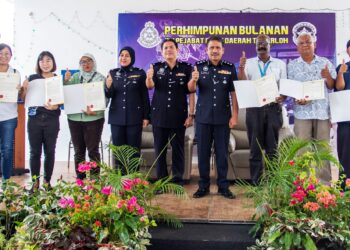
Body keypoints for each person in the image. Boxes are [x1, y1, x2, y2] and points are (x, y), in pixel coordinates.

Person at [188, 36, 238, 199]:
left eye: (218, 48)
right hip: (203, 118)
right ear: (206, 50)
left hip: (223, 119)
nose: (215, 51)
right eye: (211, 48)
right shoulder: (199, 67)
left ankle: (223, 186)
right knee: (202, 153)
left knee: (222, 153)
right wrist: (193, 80)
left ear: (223, 50)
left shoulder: (230, 68)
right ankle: (203, 186)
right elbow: (191, 89)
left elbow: (234, 94)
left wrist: (235, 115)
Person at [238, 34, 286, 185]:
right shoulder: (249, 63)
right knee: (255, 149)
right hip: (254, 110)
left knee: (273, 149)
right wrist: (241, 67)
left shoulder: (280, 63)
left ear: (270, 45)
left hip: (273, 109)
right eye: (259, 43)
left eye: (264, 43)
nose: (261, 45)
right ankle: (256, 183)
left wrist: (282, 96)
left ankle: (273, 183)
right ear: (255, 46)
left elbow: (284, 86)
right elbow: (242, 83)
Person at [288, 33, 336, 184]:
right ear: (297, 47)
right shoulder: (292, 65)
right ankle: (302, 186)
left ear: (314, 44)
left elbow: (332, 86)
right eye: (301, 43)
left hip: (322, 113)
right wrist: (296, 98)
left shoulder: (325, 62)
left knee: (323, 150)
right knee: (302, 151)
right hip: (302, 114)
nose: (305, 45)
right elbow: (290, 89)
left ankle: (325, 185)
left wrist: (327, 76)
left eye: (308, 42)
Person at [146, 38, 195, 186]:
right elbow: (150, 87)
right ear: (162, 52)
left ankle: (177, 180)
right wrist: (148, 77)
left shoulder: (186, 68)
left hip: (178, 116)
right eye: (166, 48)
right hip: (159, 115)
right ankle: (161, 181)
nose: (169, 50)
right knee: (159, 150)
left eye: (171, 47)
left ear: (177, 50)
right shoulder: (156, 67)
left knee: (178, 150)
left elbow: (191, 91)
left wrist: (191, 114)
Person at [105, 47, 150, 173]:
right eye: (121, 55)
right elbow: (108, 95)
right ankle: (120, 179)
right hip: (116, 118)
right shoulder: (112, 73)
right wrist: (108, 86)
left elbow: (144, 96)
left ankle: (134, 179)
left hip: (134, 118)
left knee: (134, 150)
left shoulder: (140, 73)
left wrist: (146, 116)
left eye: (127, 55)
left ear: (132, 58)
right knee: (118, 151)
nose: (123, 58)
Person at [22, 51, 61, 190]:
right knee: (34, 152)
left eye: (48, 60)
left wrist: (56, 105)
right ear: (38, 63)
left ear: (53, 62)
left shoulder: (57, 79)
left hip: (52, 120)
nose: (45, 64)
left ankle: (47, 182)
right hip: (34, 120)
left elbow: (61, 103)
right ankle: (35, 183)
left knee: (50, 151)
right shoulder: (32, 78)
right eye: (42, 61)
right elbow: (23, 98)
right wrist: (24, 88)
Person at [64, 53, 106, 179]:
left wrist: (97, 111)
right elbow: (67, 95)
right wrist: (66, 81)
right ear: (80, 64)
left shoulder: (101, 78)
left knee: (93, 151)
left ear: (94, 62)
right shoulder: (75, 77)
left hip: (94, 119)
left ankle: (94, 179)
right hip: (75, 119)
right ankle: (80, 179)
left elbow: (106, 98)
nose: (86, 64)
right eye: (83, 62)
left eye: (89, 61)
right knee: (78, 152)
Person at [0, 43, 20, 182]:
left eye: (7, 53)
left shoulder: (15, 73)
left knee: (7, 150)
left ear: (11, 56)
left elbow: (18, 96)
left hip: (9, 117)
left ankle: (6, 182)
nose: (3, 56)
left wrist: (21, 89)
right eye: (1, 53)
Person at [335, 40, 350, 188]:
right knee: (345, 153)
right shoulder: (342, 67)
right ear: (347, 50)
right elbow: (339, 88)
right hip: (346, 118)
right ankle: (344, 186)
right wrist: (341, 73)